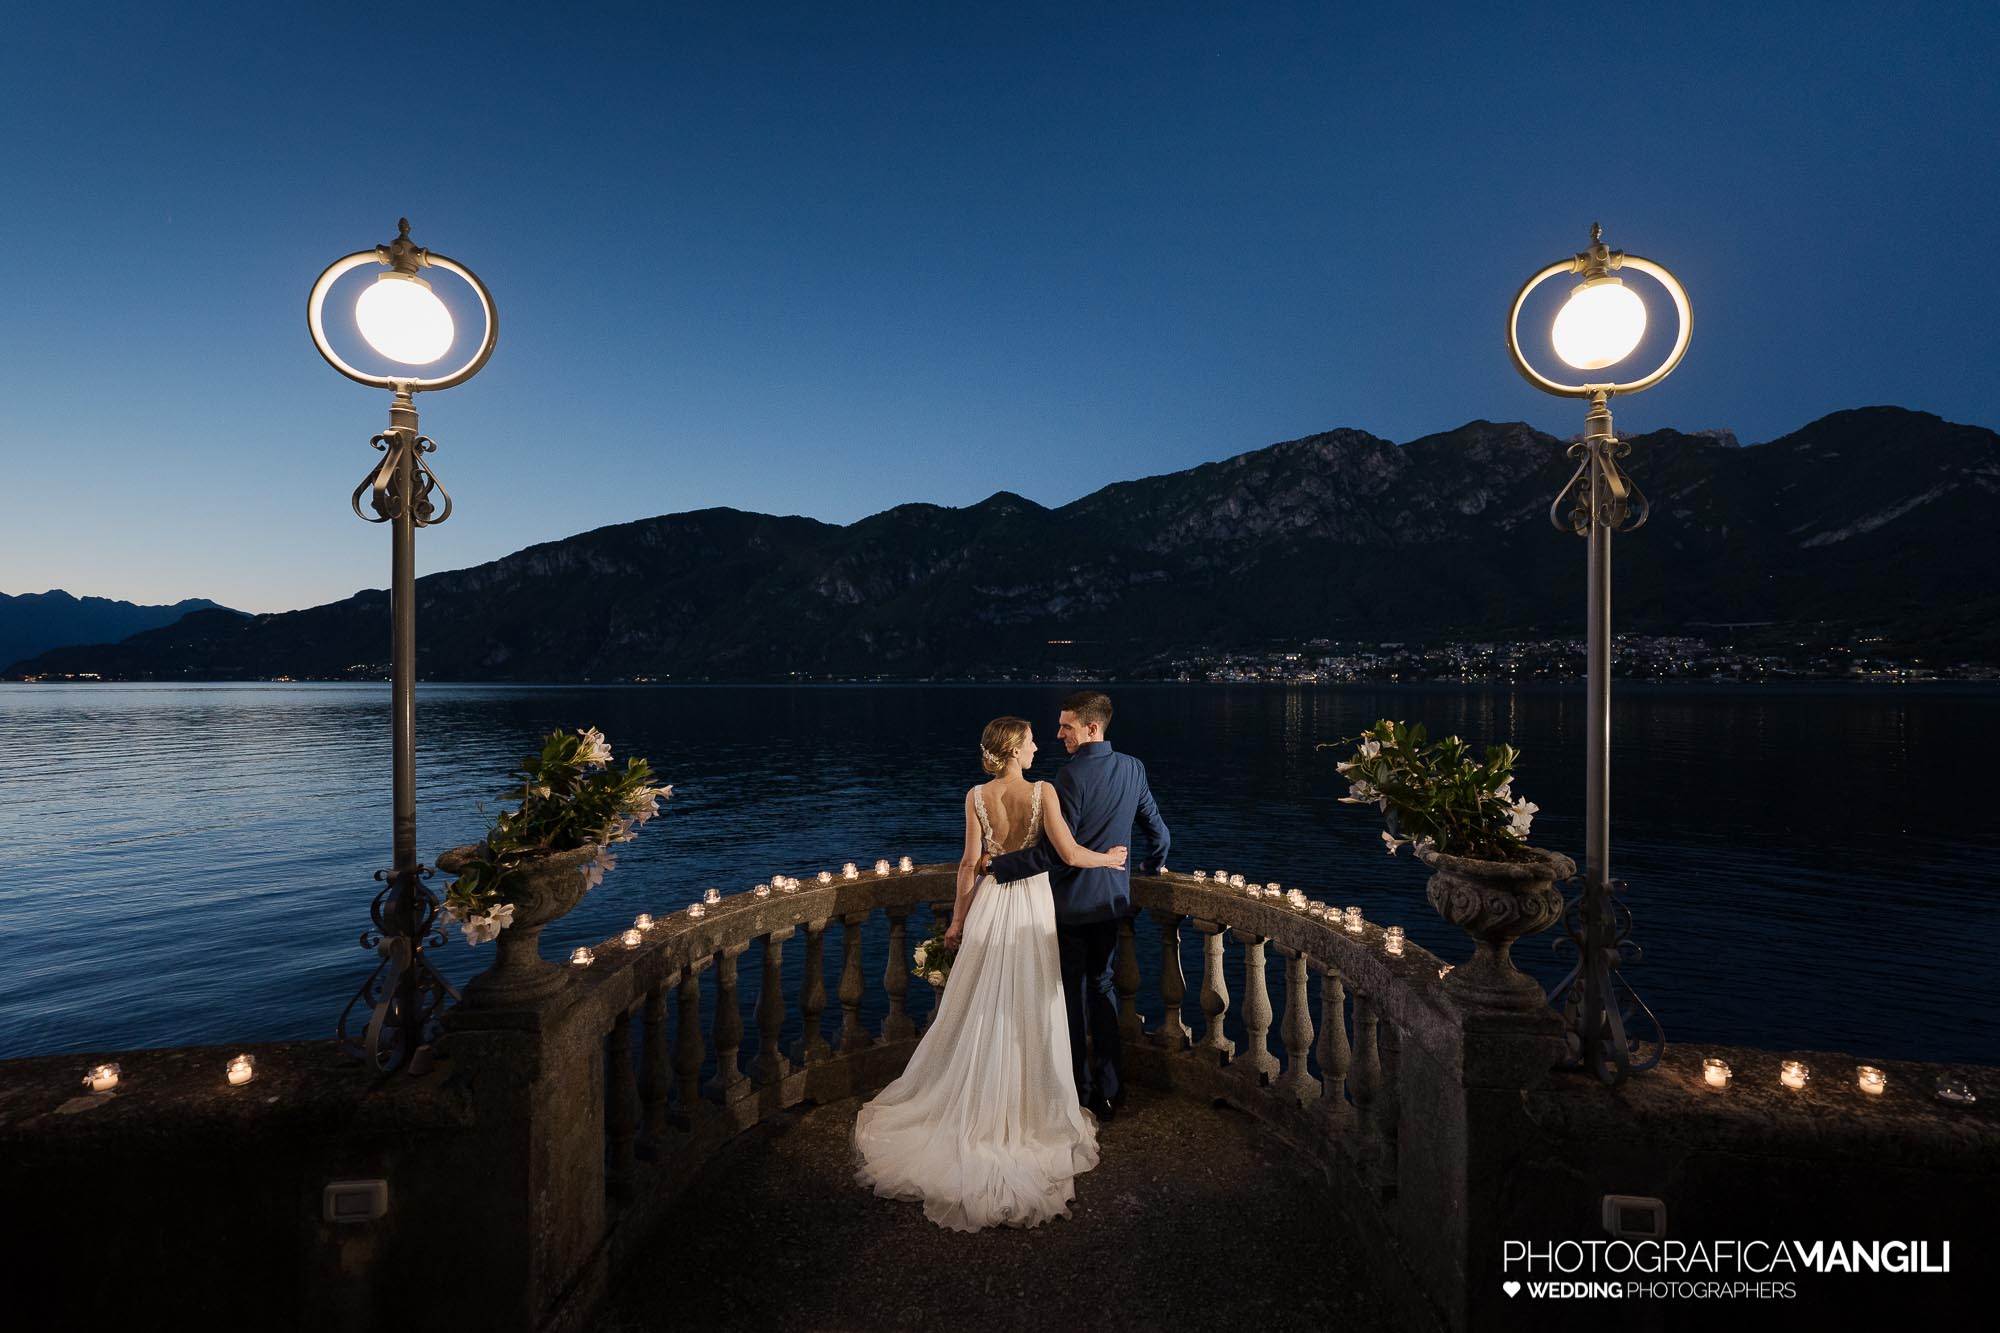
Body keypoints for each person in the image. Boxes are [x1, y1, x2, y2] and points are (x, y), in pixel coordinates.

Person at [852, 716, 1127, 1231]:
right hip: (1030, 907)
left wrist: (957, 920)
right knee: (1031, 1002)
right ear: (1014, 750)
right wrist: (1108, 859)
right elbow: (1066, 854)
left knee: (982, 1004)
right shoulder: (1044, 791)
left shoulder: (975, 795)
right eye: (1030, 741)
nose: (1038, 747)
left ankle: (978, 1102)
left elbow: (967, 865)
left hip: (990, 906)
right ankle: (1025, 1109)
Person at [985, 690, 1169, 1121]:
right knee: (1102, 990)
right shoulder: (1133, 768)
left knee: (1069, 999)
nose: (1058, 733)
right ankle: (1111, 1091)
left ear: (1092, 727)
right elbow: (1159, 835)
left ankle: (1079, 1093)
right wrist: (1146, 869)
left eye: (1066, 726)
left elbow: (1055, 853)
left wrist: (997, 865)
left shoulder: (1067, 778)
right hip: (1112, 901)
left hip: (1068, 907)